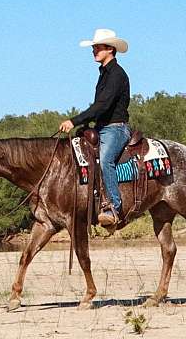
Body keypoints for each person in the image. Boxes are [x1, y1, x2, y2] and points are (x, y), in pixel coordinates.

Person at [59, 28, 131, 228]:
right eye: (94, 47)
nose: (94, 50)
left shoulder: (117, 74)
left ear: (110, 49)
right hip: (102, 128)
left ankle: (114, 207)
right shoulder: (104, 74)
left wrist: (74, 121)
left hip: (116, 128)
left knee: (106, 159)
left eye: (97, 47)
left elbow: (102, 106)